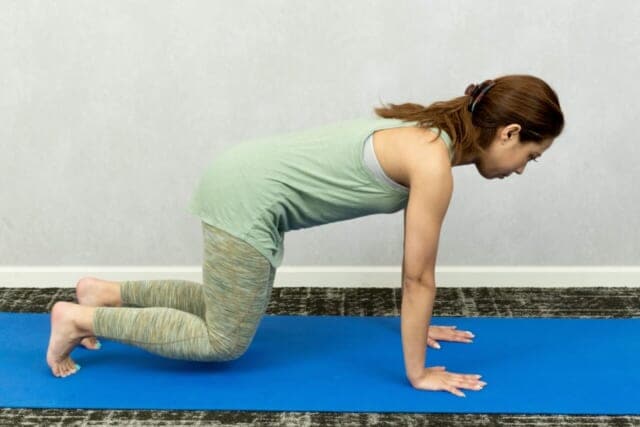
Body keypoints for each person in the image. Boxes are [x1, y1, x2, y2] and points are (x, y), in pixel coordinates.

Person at [46, 74, 564, 397]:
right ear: (509, 133)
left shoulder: (428, 132)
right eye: (530, 156)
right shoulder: (433, 162)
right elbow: (417, 278)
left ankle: (103, 293)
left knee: (224, 306)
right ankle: (79, 318)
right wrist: (419, 371)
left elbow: (416, 279)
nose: (522, 169)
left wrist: (419, 325)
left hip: (244, 180)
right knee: (223, 340)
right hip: (248, 197)